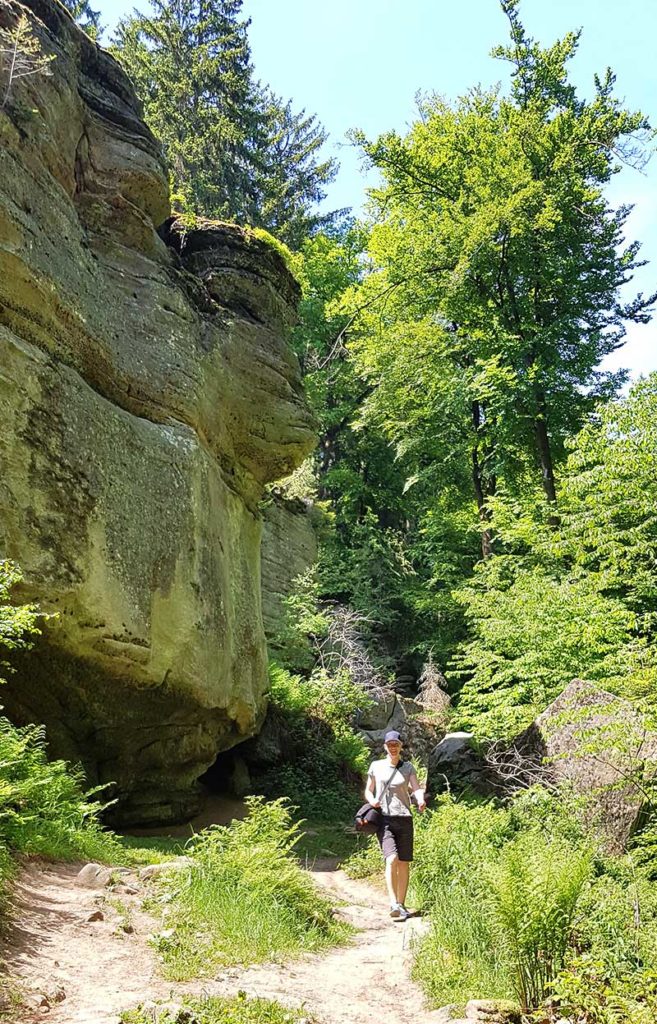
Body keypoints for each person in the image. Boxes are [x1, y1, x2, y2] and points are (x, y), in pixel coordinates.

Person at [364, 729, 426, 921]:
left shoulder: (407, 768)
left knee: (404, 862)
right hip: (385, 819)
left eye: (396, 745)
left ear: (401, 747)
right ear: (385, 746)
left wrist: (421, 799)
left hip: (405, 818)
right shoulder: (376, 766)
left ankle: (401, 904)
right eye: (390, 745)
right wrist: (372, 800)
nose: (393, 748)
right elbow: (368, 789)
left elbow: (416, 788)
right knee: (392, 859)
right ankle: (393, 903)